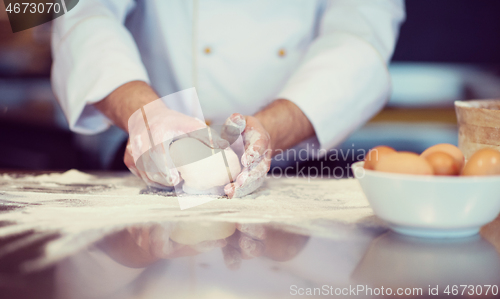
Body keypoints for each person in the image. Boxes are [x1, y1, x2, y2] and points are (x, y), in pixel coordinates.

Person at [51, 0, 405, 198]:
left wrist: (272, 130)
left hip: (292, 169)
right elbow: (73, 10)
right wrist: (144, 114)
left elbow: (360, 38)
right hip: (151, 165)